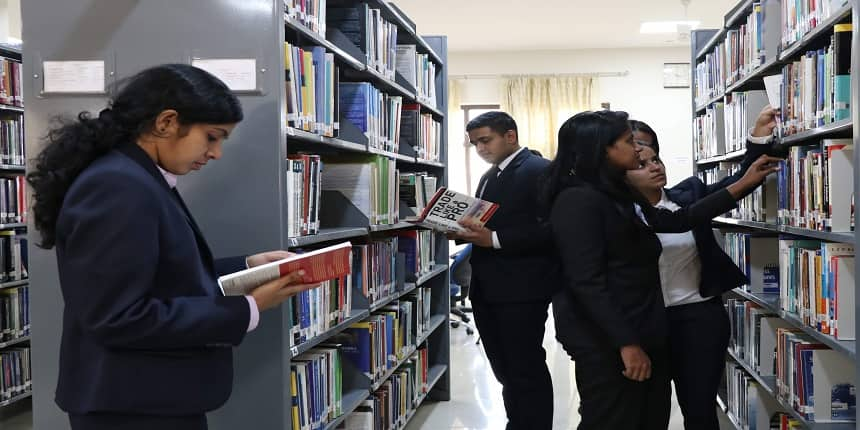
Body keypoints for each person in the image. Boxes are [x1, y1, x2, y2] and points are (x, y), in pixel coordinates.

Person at [27, 64, 315, 430]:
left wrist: (250, 266)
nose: (216, 153)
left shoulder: (137, 177)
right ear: (166, 122)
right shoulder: (118, 186)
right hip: (130, 407)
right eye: (212, 137)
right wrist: (250, 307)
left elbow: (163, 273)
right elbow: (119, 317)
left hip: (146, 397)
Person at [541, 110, 781, 430]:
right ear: (603, 150)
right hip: (610, 341)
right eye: (629, 143)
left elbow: (678, 219)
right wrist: (627, 343)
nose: (639, 151)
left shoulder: (618, 197)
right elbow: (587, 282)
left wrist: (743, 183)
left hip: (645, 330)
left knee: (650, 417)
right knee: (613, 418)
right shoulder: (579, 201)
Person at [625, 109, 778, 430]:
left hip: (699, 319)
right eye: (641, 163)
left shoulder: (689, 195)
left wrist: (760, 136)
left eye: (656, 159)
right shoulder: (617, 214)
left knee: (699, 409)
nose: (653, 167)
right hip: (648, 324)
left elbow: (739, 181)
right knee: (648, 412)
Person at [448, 111, 558, 430]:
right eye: (475, 144)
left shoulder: (540, 170)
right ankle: (518, 422)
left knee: (525, 367)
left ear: (510, 136)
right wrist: (462, 230)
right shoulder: (489, 175)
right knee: (505, 368)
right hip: (488, 287)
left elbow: (553, 229)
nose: (481, 149)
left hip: (523, 288)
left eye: (486, 140)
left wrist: (493, 238)